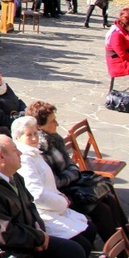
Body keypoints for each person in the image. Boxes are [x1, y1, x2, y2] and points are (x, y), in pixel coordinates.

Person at [0, 134, 87, 257]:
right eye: (15, 150)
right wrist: (37, 239)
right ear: (1, 157)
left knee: (76, 247)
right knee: (73, 251)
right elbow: (3, 233)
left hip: (24, 240)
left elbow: (30, 205)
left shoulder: (12, 174)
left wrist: (39, 233)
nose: (20, 153)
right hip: (5, 251)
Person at [25, 100, 127, 241]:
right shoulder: (40, 150)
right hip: (62, 195)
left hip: (74, 185)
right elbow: (54, 182)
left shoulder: (56, 139)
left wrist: (71, 173)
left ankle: (125, 236)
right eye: (52, 122)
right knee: (102, 211)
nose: (57, 124)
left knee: (108, 196)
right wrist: (72, 173)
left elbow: (71, 164)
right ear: (40, 127)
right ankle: (119, 249)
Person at [11, 117, 96, 256]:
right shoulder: (25, 160)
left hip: (55, 206)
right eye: (29, 135)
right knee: (80, 247)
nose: (34, 138)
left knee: (90, 228)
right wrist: (62, 202)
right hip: (44, 214)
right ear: (17, 138)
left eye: (35, 133)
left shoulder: (34, 153)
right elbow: (37, 196)